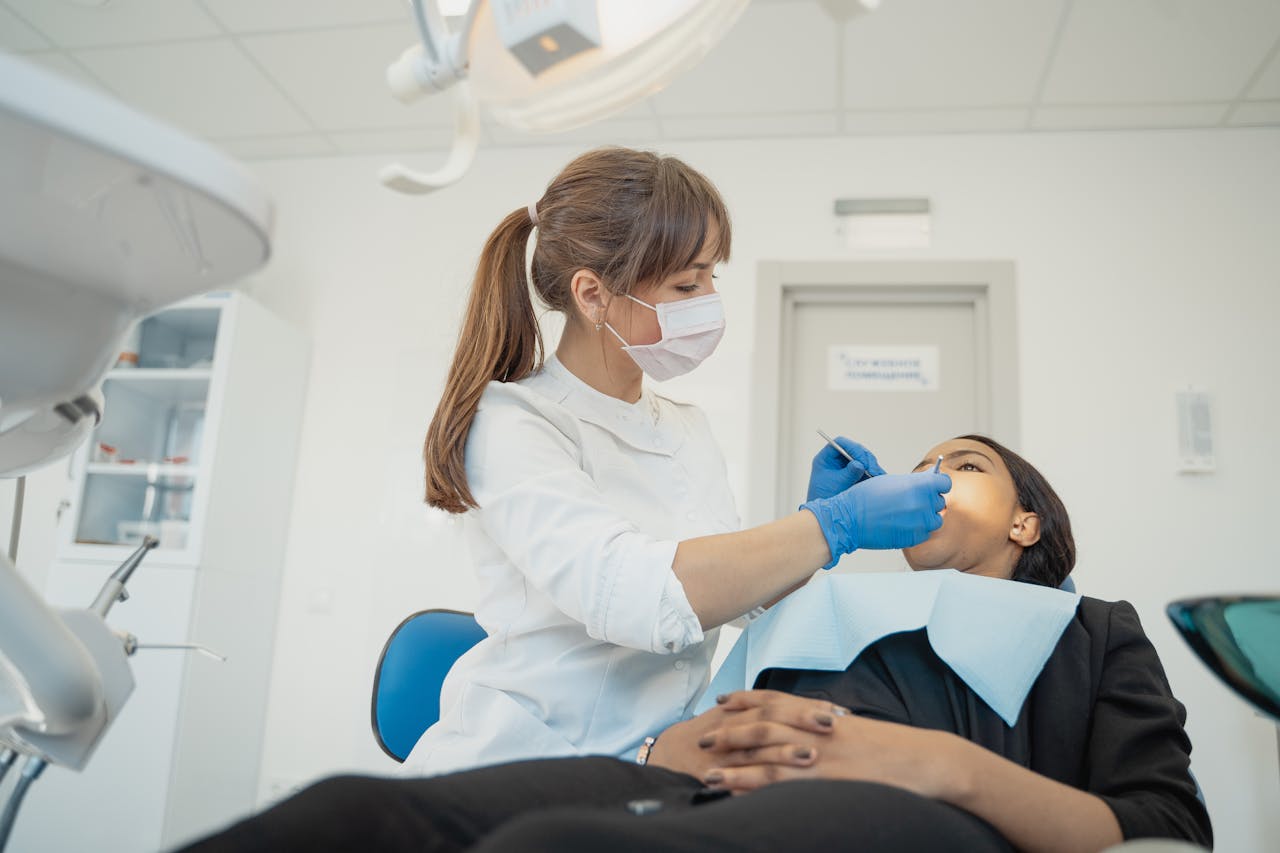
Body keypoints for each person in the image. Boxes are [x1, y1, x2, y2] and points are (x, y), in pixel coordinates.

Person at [178, 435, 1210, 853]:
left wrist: (929, 764)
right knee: (346, 816)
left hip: (911, 811)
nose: (931, 473)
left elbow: (1164, 826)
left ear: (1025, 523)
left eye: (966, 465)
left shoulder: (1092, 629)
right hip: (687, 781)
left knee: (553, 850)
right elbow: (689, 664)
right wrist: (674, 741)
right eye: (922, 461)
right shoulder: (820, 601)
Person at [406, 146, 951, 775]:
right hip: (526, 762)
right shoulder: (517, 422)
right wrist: (832, 526)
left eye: (712, 276)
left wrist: (815, 518)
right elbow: (637, 597)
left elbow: (737, 600)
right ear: (593, 295)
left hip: (657, 760)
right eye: (687, 284)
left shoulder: (686, 427)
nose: (710, 299)